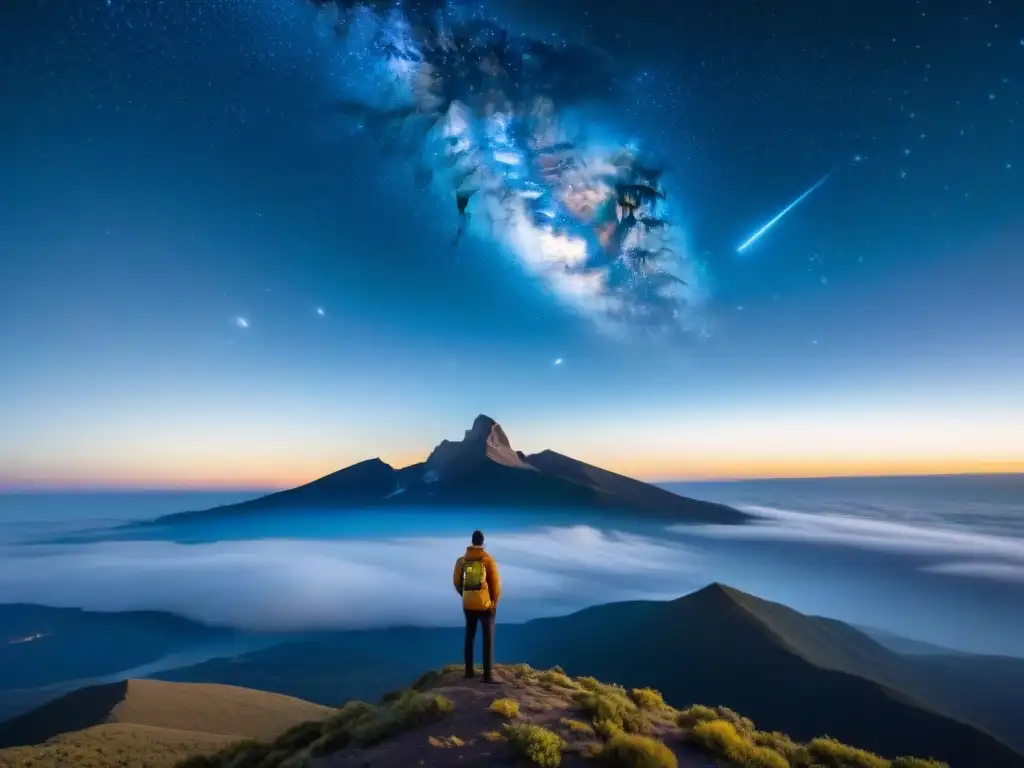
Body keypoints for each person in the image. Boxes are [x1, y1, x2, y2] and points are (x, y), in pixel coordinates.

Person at [453, 529, 501, 682]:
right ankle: (487, 675)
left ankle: (468, 671)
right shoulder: (487, 560)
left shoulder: (462, 561)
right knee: (487, 638)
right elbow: (495, 585)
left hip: (468, 603)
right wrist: (493, 602)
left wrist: (465, 594)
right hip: (484, 604)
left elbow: (456, 582)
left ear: (472, 542)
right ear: (483, 542)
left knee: (469, 636)